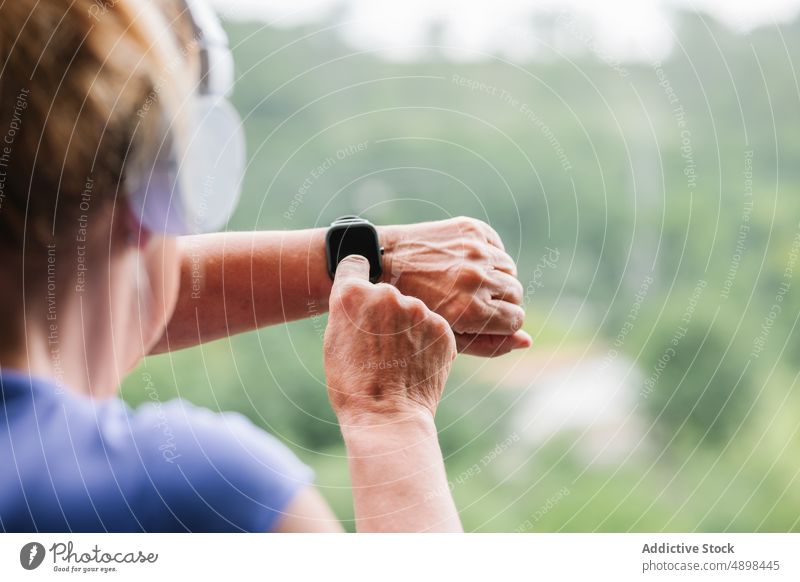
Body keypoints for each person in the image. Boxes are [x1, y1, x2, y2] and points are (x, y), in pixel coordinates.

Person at [0, 0, 530, 532]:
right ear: (166, 184)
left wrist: (373, 256)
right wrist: (390, 417)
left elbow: (78, 289)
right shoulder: (187, 486)